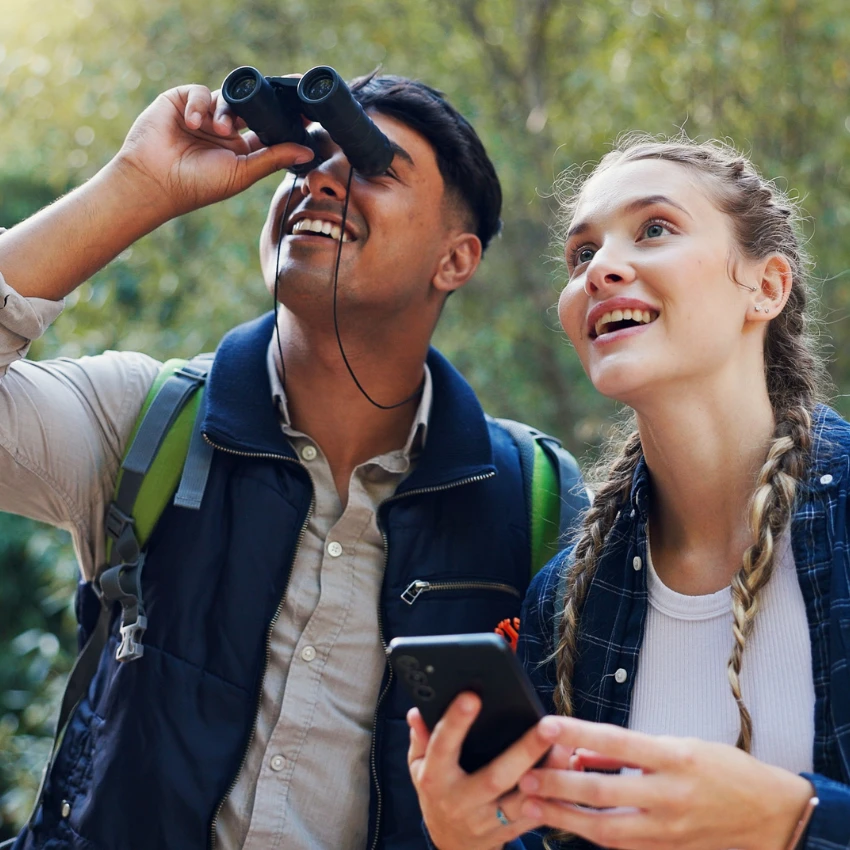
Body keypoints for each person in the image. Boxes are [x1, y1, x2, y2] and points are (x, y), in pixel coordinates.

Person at [0, 71, 585, 850]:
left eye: (373, 166)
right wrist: (135, 186)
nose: (321, 186)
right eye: (307, 164)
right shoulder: (145, 421)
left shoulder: (532, 499)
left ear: (456, 260)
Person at [408, 134, 850, 850]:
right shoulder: (565, 600)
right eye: (582, 254)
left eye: (655, 229)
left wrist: (796, 820)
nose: (602, 269)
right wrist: (473, 840)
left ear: (766, 286)